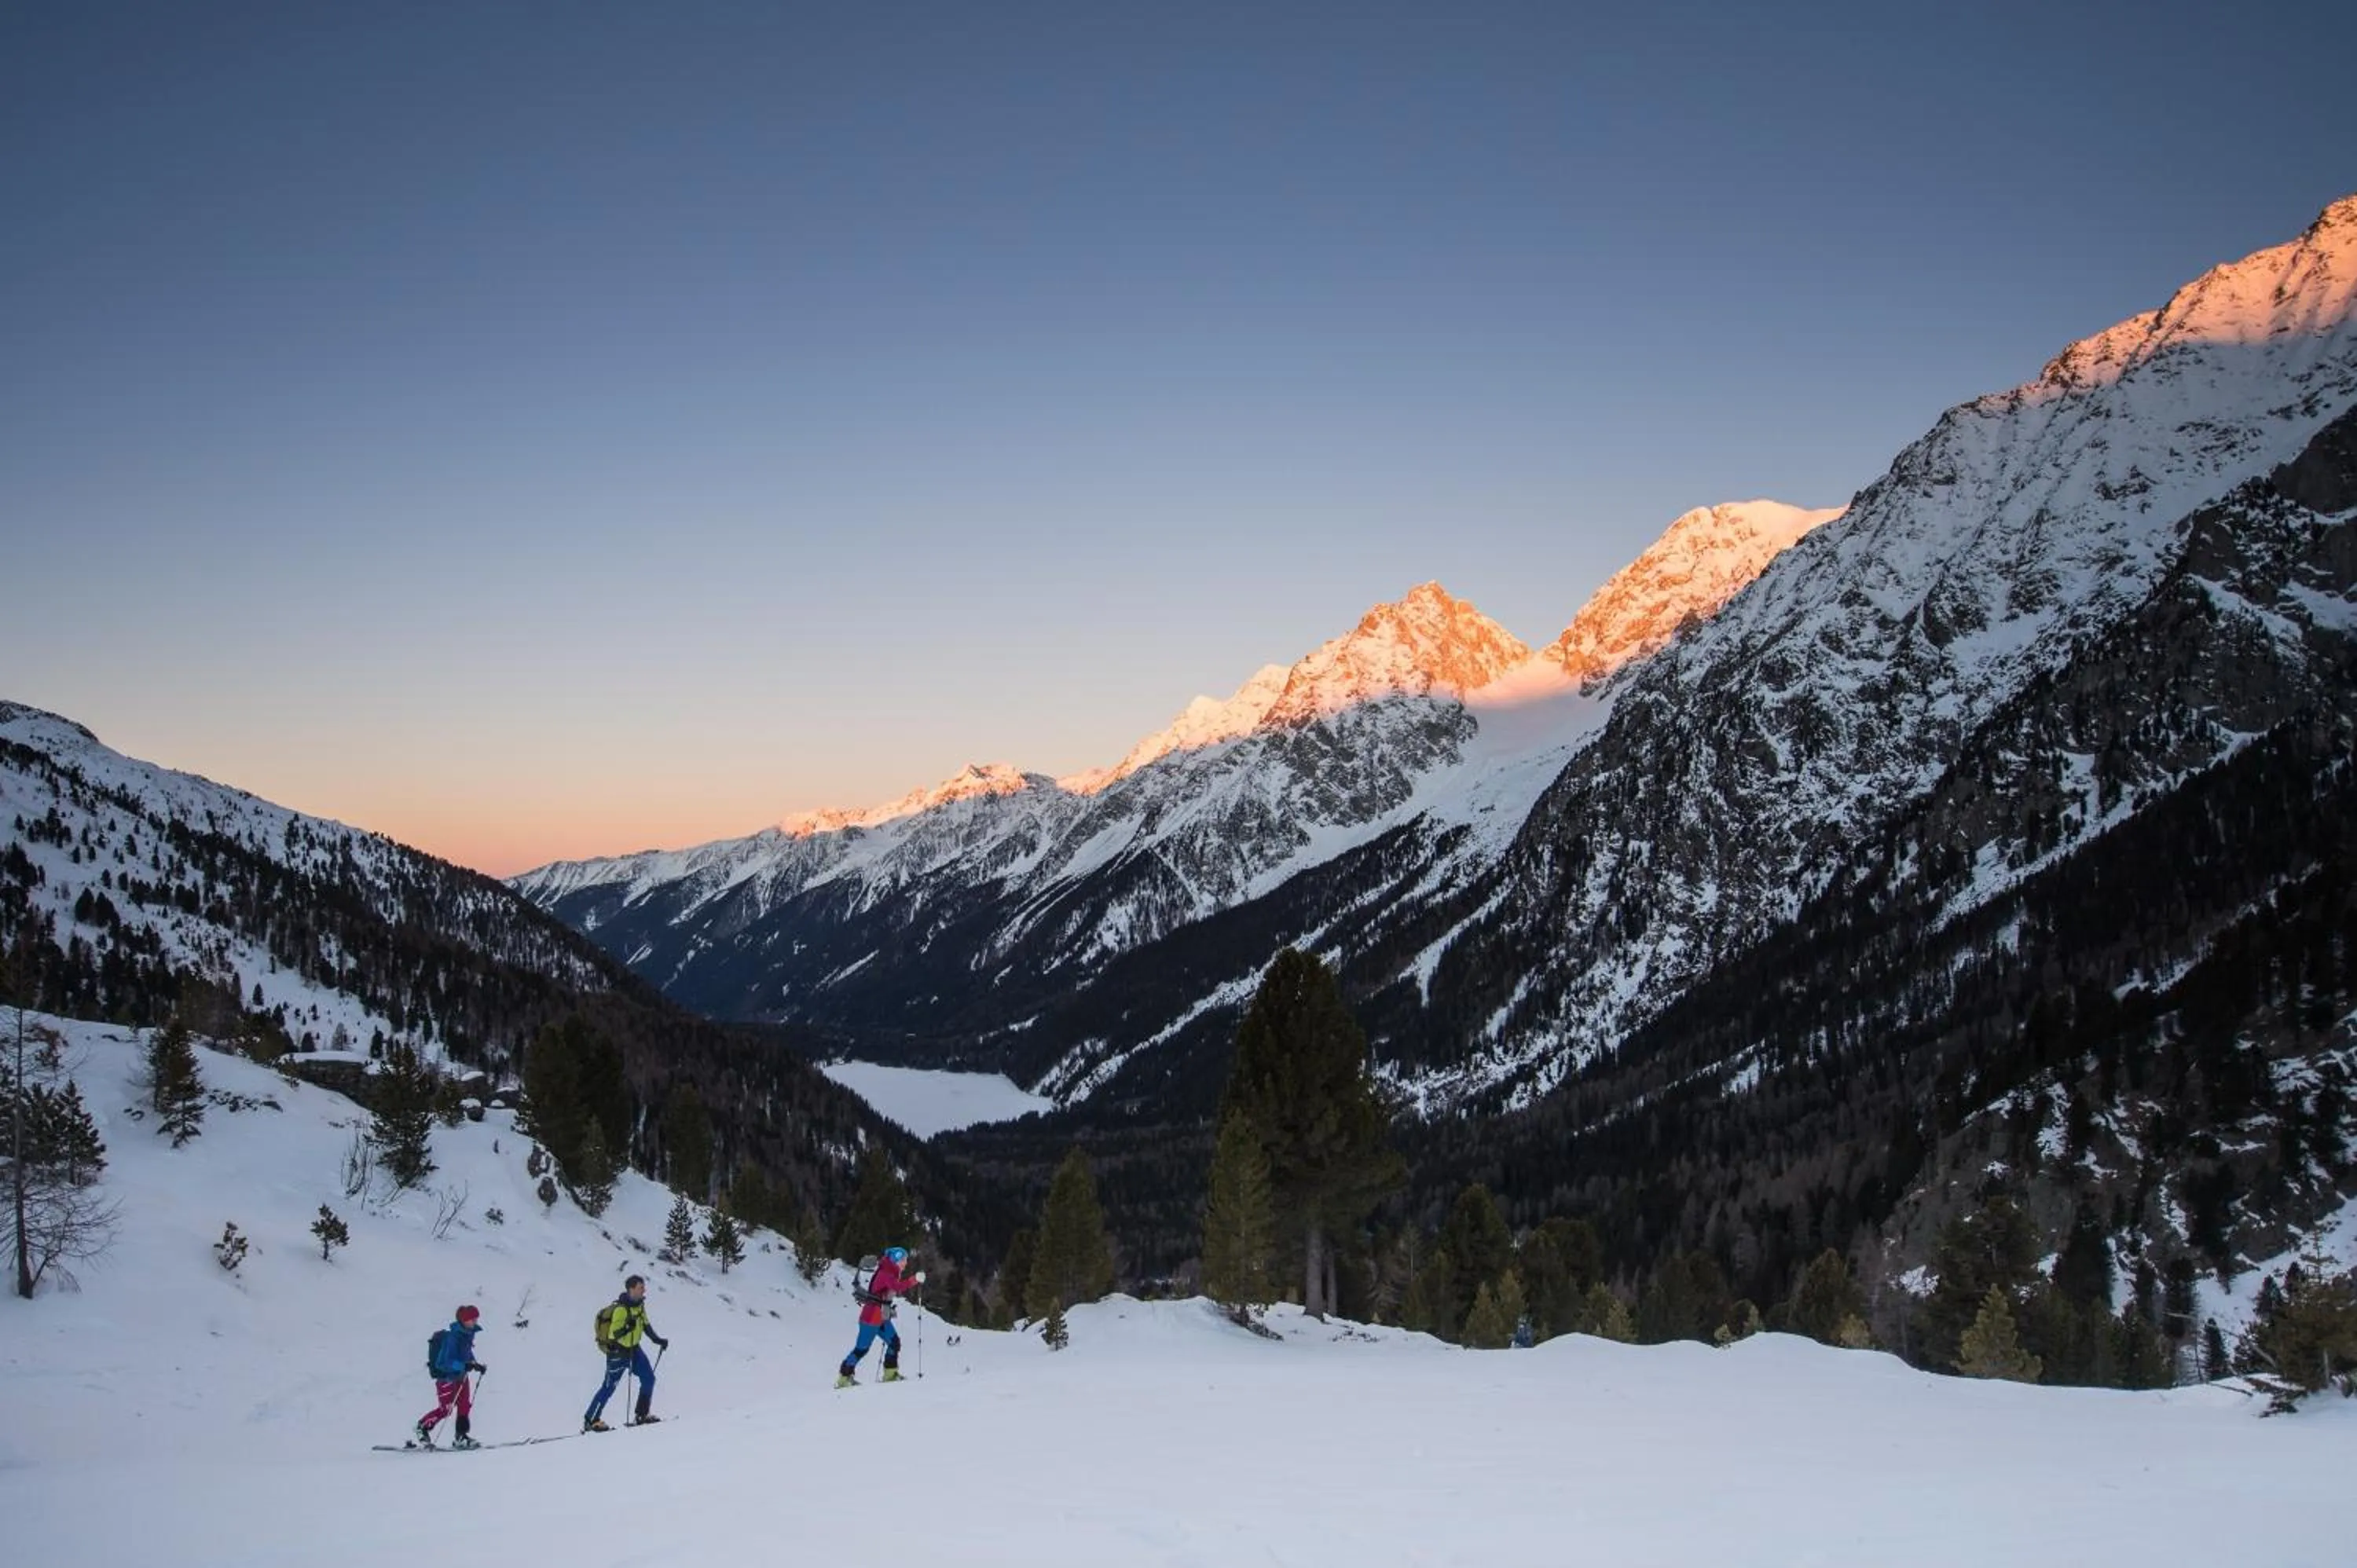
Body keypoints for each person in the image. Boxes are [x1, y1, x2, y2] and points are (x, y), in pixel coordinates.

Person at [584, 1274, 670, 1432]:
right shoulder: (621, 1310)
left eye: (643, 1287)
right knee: (609, 1387)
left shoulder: (639, 1306)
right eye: (640, 1287)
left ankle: (642, 1415)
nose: (644, 1290)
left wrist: (658, 1340)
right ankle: (591, 1420)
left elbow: (645, 1325)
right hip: (617, 1353)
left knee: (649, 1378)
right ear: (631, 1289)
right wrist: (626, 1328)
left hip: (634, 1350)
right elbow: (612, 1335)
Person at [837, 1244, 926, 1387]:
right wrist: (914, 1280)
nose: (905, 1263)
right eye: (903, 1260)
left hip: (880, 1318)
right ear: (896, 1260)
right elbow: (897, 1287)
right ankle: (844, 1378)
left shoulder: (889, 1272)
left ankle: (890, 1374)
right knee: (861, 1349)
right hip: (871, 1319)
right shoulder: (886, 1273)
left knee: (894, 1342)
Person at [415, 1304, 486, 1449]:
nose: (475, 1322)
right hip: (447, 1378)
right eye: (472, 1319)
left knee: (464, 1406)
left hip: (461, 1377)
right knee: (446, 1409)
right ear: (464, 1320)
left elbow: (466, 1354)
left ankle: (461, 1437)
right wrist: (462, 1366)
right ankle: (422, 1427)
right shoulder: (452, 1337)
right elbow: (444, 1361)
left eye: (476, 1319)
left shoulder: (468, 1334)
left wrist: (475, 1364)